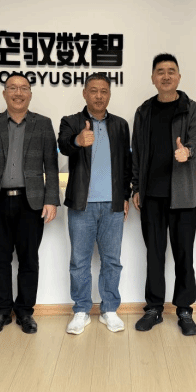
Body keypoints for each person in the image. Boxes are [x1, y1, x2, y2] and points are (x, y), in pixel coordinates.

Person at [0, 73, 59, 335]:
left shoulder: (43, 124)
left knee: (28, 260)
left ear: (30, 94)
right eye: (12, 88)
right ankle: (1, 312)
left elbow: (51, 166)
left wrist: (51, 199)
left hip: (31, 202)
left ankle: (24, 312)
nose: (18, 93)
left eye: (23, 88)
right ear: (4, 93)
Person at [131, 53, 196, 336]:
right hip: (151, 196)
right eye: (160, 71)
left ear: (179, 77)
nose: (166, 76)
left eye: (171, 71)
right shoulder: (144, 111)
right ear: (153, 78)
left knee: (184, 255)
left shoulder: (192, 108)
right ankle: (154, 308)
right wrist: (136, 187)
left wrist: (189, 151)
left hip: (183, 195)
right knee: (154, 255)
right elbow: (137, 153)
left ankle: (184, 309)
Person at [58, 73, 131, 335]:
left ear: (109, 94)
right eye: (93, 90)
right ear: (84, 93)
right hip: (82, 205)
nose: (99, 96)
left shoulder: (121, 125)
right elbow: (63, 145)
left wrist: (125, 196)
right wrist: (77, 141)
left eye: (104, 91)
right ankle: (81, 310)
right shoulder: (71, 121)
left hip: (112, 205)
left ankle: (109, 309)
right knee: (79, 261)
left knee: (112, 260)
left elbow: (126, 164)